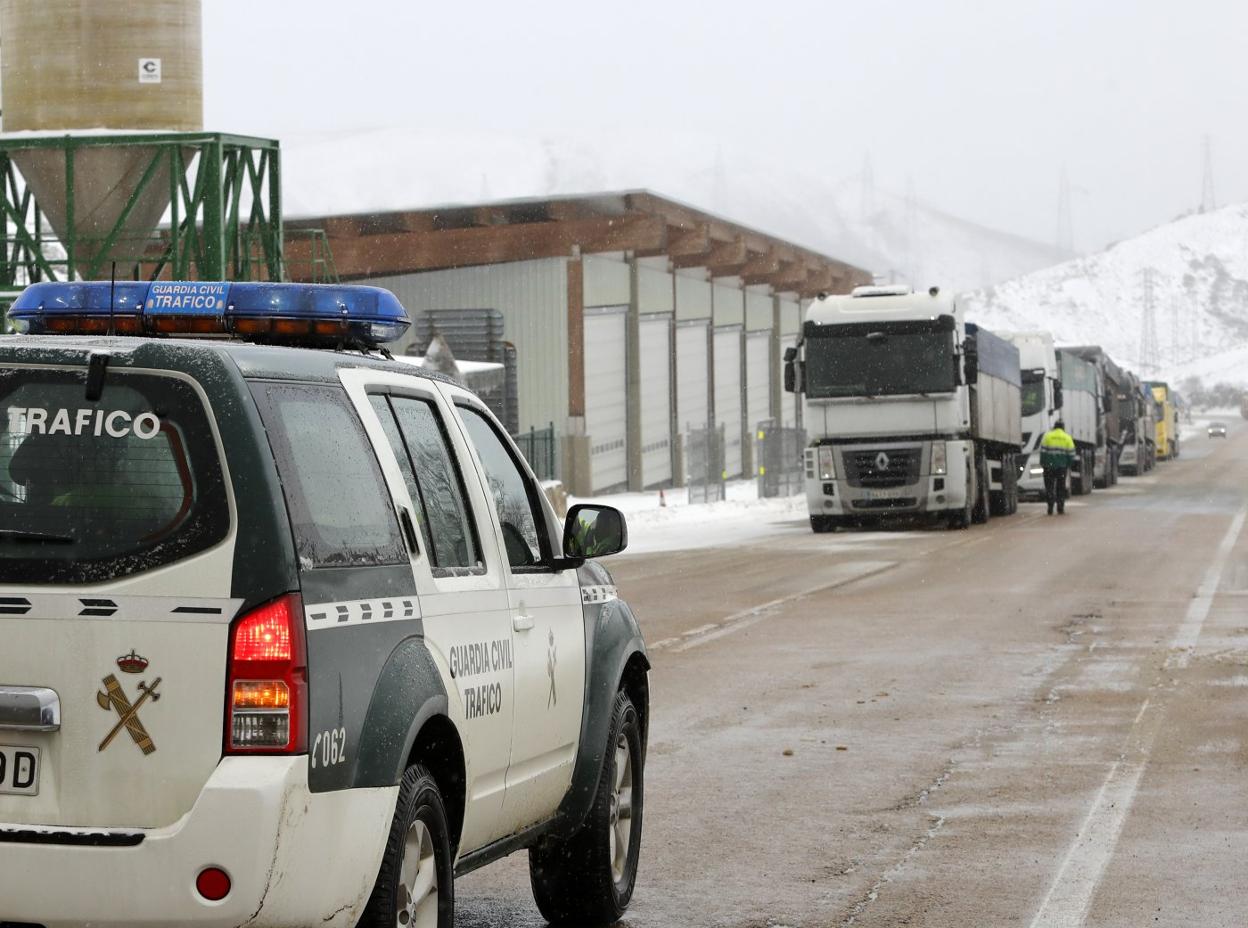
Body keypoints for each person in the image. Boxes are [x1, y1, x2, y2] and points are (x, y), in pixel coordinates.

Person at [1039, 419, 1077, 515]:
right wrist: (1068, 465)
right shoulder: (1067, 438)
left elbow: (1043, 453)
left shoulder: (1047, 436)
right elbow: (1071, 454)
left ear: (1054, 427)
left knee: (1049, 487)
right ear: (1063, 428)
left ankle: (1050, 507)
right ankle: (1060, 508)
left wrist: (1043, 463)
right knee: (1061, 487)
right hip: (1062, 467)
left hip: (1049, 467)